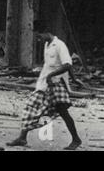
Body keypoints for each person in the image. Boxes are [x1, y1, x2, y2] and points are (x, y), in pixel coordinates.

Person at [7, 21, 85, 150]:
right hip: (44, 83)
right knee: (31, 106)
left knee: (62, 112)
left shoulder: (59, 45)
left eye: (39, 36)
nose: (38, 39)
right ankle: (22, 138)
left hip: (56, 83)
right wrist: (47, 76)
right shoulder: (47, 45)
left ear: (46, 33)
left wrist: (73, 79)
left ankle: (76, 140)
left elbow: (67, 64)